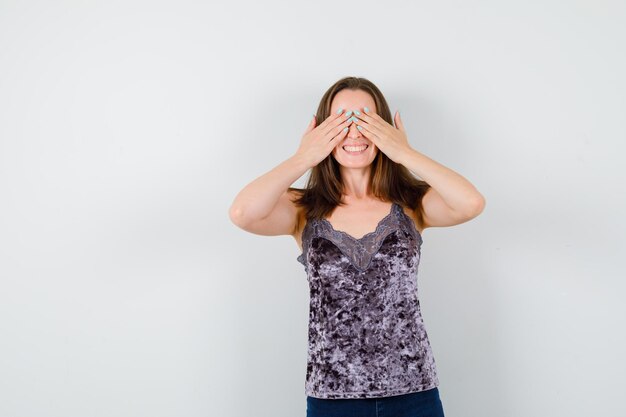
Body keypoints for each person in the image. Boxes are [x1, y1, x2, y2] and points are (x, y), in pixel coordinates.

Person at [229, 76, 485, 416]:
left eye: (365, 119)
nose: (353, 131)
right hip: (332, 400)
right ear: (320, 130)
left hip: (414, 394)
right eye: (341, 121)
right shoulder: (304, 209)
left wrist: (404, 152)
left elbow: (471, 203)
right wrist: (303, 158)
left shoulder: (410, 203)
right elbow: (242, 213)